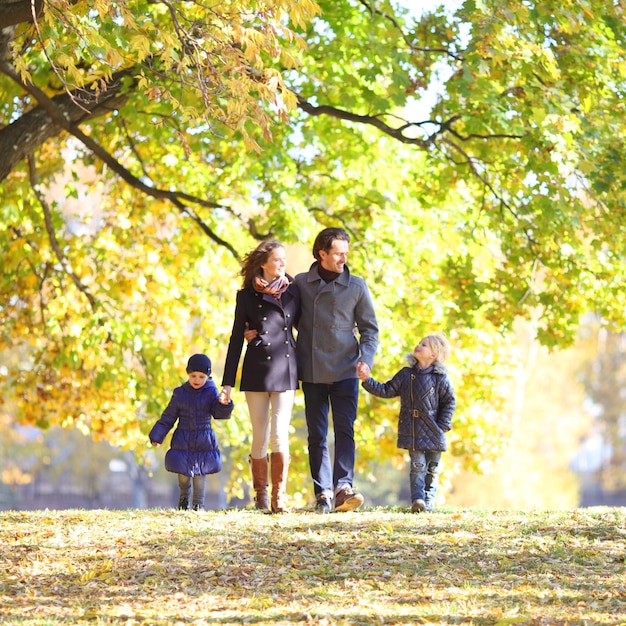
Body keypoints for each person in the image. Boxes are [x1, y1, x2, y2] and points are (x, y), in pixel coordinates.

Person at [294, 227, 378, 513]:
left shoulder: (356, 286)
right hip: (313, 368)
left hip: (346, 369)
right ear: (322, 254)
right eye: (338, 253)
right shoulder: (301, 283)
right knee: (316, 434)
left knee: (345, 431)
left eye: (345, 253)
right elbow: (285, 316)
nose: (344, 259)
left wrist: (366, 359)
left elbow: (370, 330)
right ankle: (323, 493)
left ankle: (343, 486)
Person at [221, 240, 300, 512]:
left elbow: (304, 326)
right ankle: (261, 496)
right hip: (256, 369)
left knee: (280, 433)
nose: (282, 264)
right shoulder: (245, 296)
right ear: (263, 264)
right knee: (260, 435)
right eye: (277, 260)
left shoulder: (293, 291)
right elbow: (234, 339)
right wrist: (227, 383)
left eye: (283, 259)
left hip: (286, 368)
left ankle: (279, 497)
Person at [359, 332, 456, 512]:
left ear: (433, 355)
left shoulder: (440, 378)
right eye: (420, 342)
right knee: (418, 467)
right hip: (413, 430)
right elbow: (386, 390)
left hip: (434, 430)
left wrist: (443, 425)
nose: (418, 345)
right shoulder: (406, 375)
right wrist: (366, 380)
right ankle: (418, 500)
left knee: (432, 469)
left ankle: (429, 501)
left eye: (424, 345)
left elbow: (449, 401)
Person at [149, 353, 234, 511]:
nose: (196, 380)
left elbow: (218, 413)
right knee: (183, 476)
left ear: (207, 377)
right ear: (188, 374)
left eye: (201, 376)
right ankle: (183, 500)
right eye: (193, 375)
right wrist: (157, 435)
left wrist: (224, 404)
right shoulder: (180, 393)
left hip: (203, 440)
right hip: (183, 439)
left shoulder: (211, 392)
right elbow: (168, 416)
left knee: (200, 476)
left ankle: (198, 505)